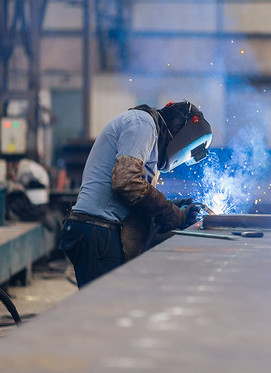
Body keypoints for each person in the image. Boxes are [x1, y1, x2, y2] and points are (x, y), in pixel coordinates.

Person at [59, 100, 212, 288]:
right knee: (104, 311)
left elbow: (137, 195)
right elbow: (126, 182)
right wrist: (171, 212)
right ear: (182, 133)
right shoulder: (143, 123)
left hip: (101, 232)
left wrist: (174, 206)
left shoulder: (150, 141)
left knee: (109, 310)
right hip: (97, 231)